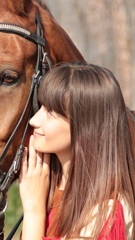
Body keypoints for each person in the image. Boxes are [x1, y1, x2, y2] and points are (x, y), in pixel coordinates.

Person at [19, 62, 135, 239]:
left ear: (85, 126)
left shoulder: (104, 213)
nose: (34, 120)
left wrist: (33, 210)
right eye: (41, 106)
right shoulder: (48, 190)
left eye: (51, 112)